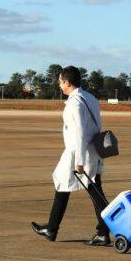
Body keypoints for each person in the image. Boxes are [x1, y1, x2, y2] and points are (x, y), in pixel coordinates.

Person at [31, 66, 111, 246]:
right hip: (92, 151)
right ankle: (53, 228)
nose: (59, 85)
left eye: (60, 82)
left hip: (78, 152)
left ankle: (101, 231)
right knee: (81, 189)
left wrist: (80, 161)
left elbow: (80, 133)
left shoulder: (75, 103)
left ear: (67, 82)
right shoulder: (90, 98)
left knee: (86, 190)